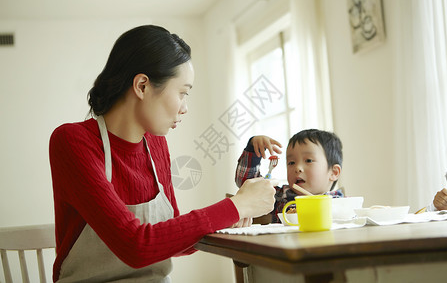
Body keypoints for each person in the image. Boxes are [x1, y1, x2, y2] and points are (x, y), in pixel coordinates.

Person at [49, 25, 277, 282]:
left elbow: (167, 239)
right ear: (142, 86)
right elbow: (136, 246)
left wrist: (229, 217)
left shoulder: (156, 145)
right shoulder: (72, 141)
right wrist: (235, 205)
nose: (185, 108)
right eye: (182, 92)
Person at [235, 129, 344, 223]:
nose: (298, 168)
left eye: (309, 160)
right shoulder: (279, 196)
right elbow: (247, 183)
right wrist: (253, 151)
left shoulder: (340, 203)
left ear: (333, 173)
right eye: (291, 162)